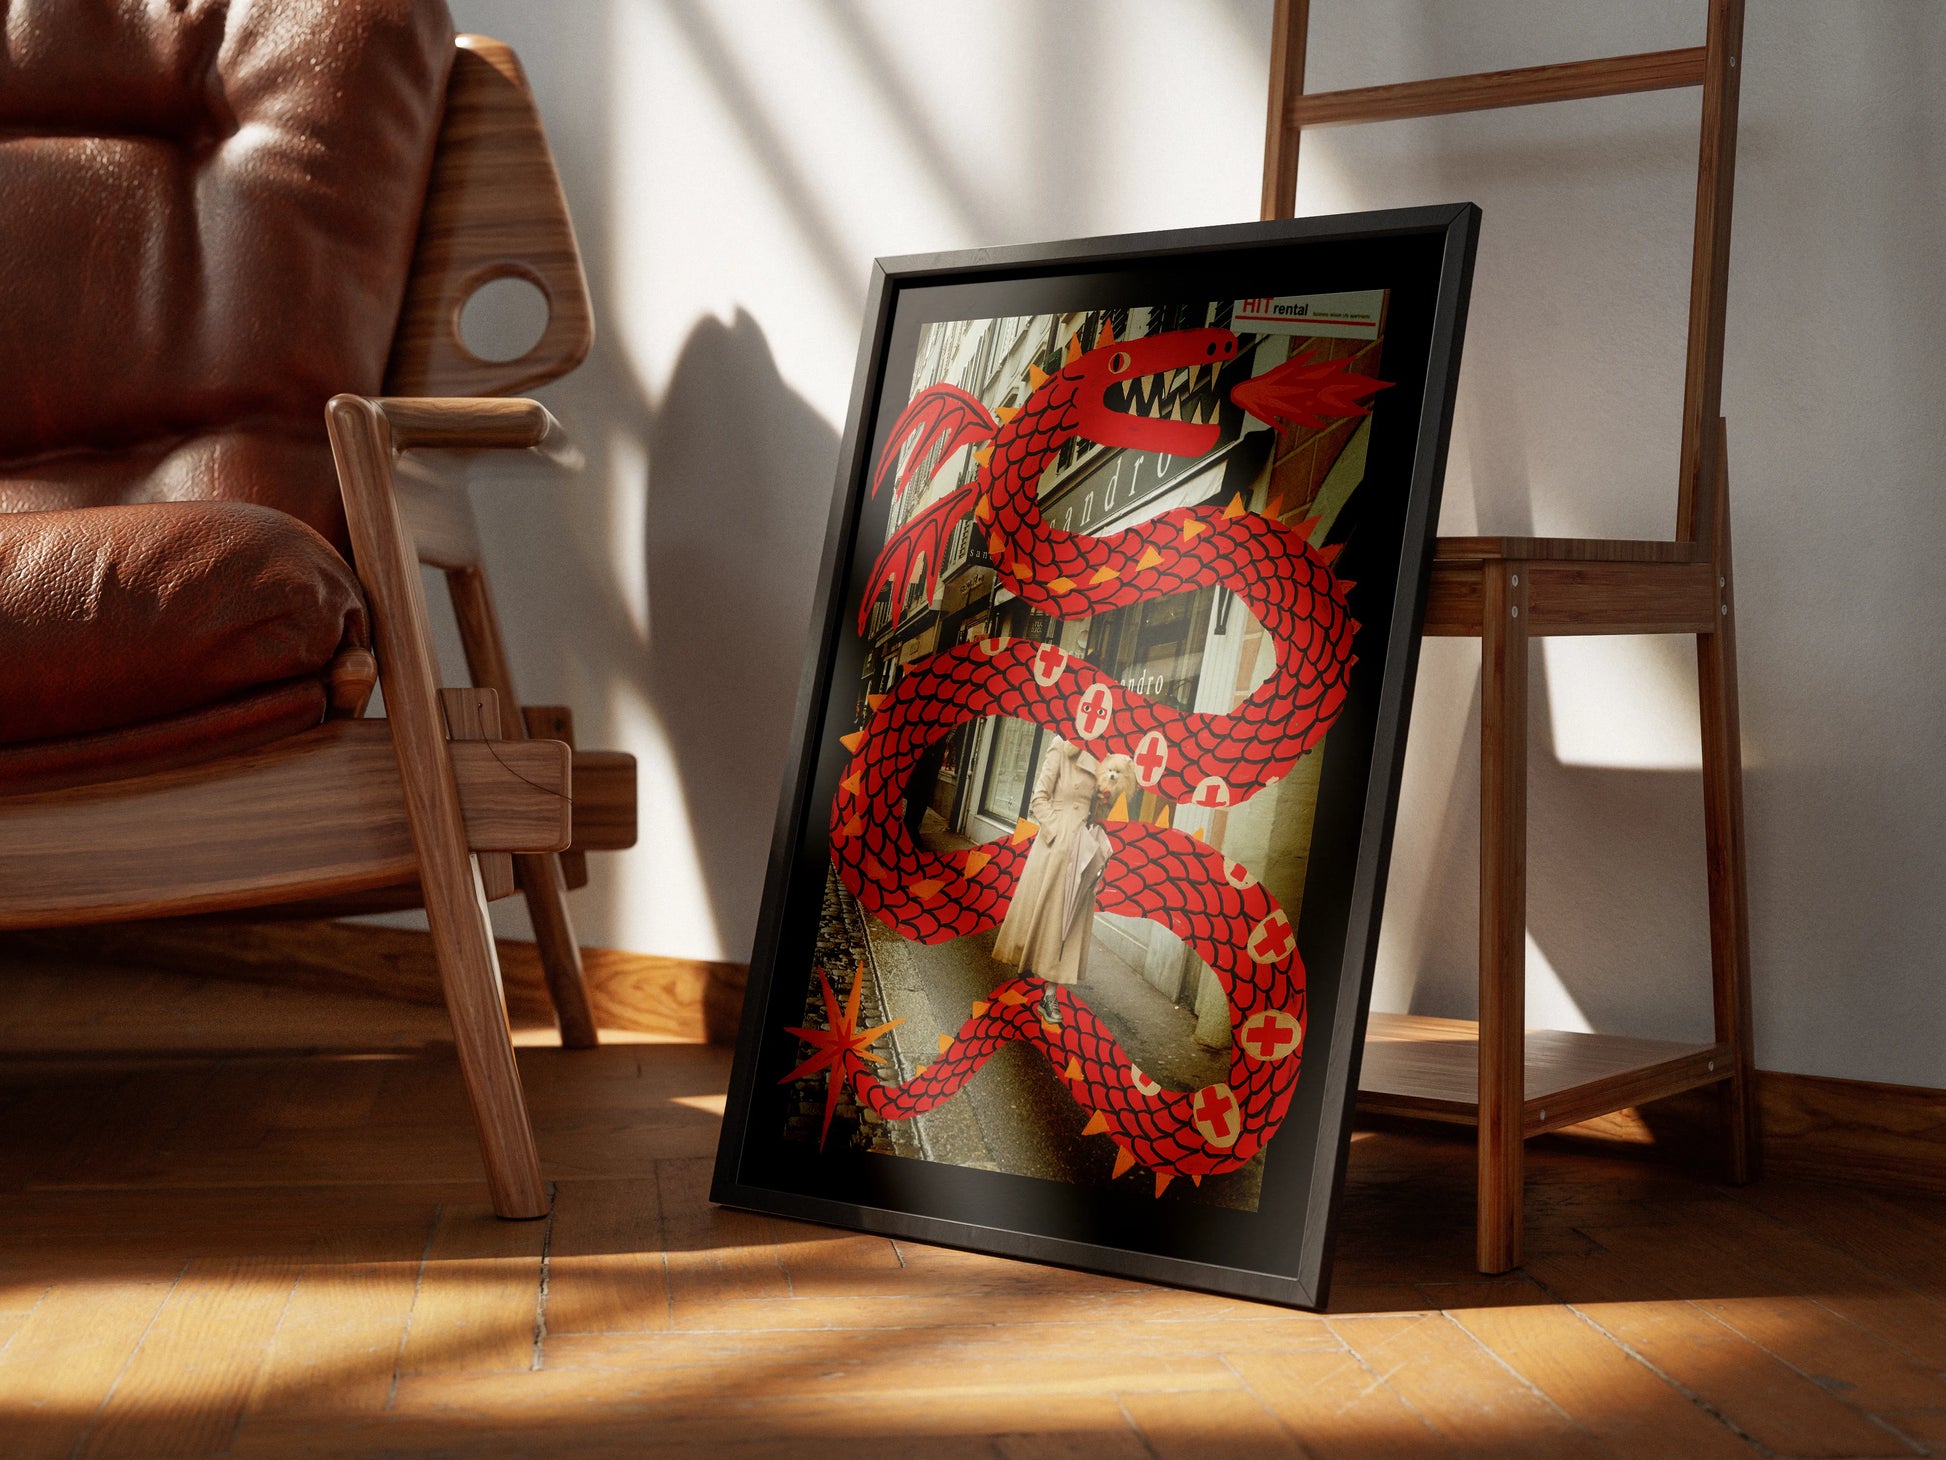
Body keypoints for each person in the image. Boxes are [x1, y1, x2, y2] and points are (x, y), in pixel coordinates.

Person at [992, 738, 1135, 1024]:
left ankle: (1050, 994)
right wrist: (1057, 834)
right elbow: (1038, 799)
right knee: (1043, 914)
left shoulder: (1107, 761)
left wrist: (1103, 804)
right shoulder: (1062, 745)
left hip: (1083, 850)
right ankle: (1030, 960)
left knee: (1068, 921)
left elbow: (1099, 817)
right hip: (1054, 849)